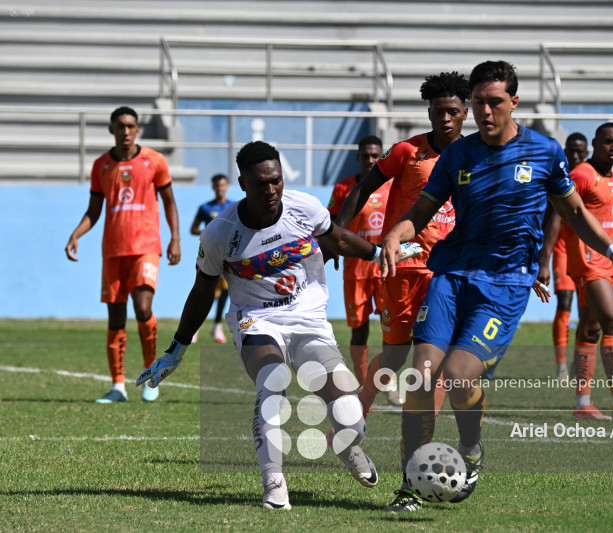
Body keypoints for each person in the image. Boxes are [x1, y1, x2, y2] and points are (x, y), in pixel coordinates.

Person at [379, 61, 613, 512]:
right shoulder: (458, 156)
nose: (485, 111)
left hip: (504, 285)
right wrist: (395, 234)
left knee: (460, 377)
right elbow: (421, 212)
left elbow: (576, 213)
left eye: (495, 102)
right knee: (422, 376)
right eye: (479, 102)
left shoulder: (544, 152)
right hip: (451, 274)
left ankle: (471, 449)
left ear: (514, 102)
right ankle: (410, 486)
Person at [136, 141, 422, 510]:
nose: (271, 190)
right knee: (272, 383)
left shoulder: (304, 207)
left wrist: (378, 253)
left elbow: (334, 237)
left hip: (307, 318)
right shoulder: (220, 232)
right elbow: (202, 291)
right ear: (242, 183)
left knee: (351, 413)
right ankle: (274, 483)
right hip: (256, 319)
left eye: (276, 181)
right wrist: (177, 348)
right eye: (261, 184)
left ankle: (345, 443)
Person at [335, 72, 470, 418]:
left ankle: (420, 439)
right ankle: (359, 409)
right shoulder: (408, 151)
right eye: (438, 111)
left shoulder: (476, 157)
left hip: (445, 271)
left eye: (452, 111)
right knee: (394, 357)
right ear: (429, 113)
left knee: (435, 355)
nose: (445, 118)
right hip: (403, 266)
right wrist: (337, 232)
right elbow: (363, 188)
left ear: (465, 113)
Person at [65, 106, 181, 404]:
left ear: (137, 129)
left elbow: (169, 202)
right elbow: (94, 211)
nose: (126, 131)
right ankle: (118, 386)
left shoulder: (154, 161)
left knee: (143, 308)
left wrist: (175, 239)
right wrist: (76, 234)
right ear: (111, 130)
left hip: (146, 248)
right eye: (120, 126)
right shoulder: (101, 165)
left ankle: (150, 374)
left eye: (131, 126)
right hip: (113, 252)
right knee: (115, 317)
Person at [540, 123, 613, 422]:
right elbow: (556, 215)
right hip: (588, 263)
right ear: (594, 144)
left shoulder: (612, 177)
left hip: (605, 264)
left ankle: (583, 403)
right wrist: (544, 259)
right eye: (608, 142)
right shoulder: (582, 175)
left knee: (590, 330)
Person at [327, 135, 396, 392]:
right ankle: (361, 381)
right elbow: (330, 224)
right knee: (360, 330)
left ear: (381, 157)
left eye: (375, 155)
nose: (370, 160)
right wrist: (330, 249)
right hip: (355, 270)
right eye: (365, 155)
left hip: (387, 268)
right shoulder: (344, 189)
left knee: (391, 329)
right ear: (358, 158)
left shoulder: (391, 186)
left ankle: (387, 380)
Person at [550, 132, 589, 382]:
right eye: (571, 151)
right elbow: (551, 217)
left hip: (586, 248)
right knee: (565, 301)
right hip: (562, 246)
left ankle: (580, 360)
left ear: (586, 153)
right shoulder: (557, 176)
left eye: (579, 152)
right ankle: (561, 366)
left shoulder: (590, 176)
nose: (575, 156)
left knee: (588, 308)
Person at [190, 173, 235, 344]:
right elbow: (193, 229)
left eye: (222, 185)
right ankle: (193, 328)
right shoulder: (205, 208)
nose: (220, 188)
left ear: (226, 186)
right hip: (209, 254)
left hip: (229, 255)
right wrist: (208, 232)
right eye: (217, 185)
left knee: (224, 292)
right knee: (204, 291)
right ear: (213, 187)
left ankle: (217, 326)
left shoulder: (233, 207)